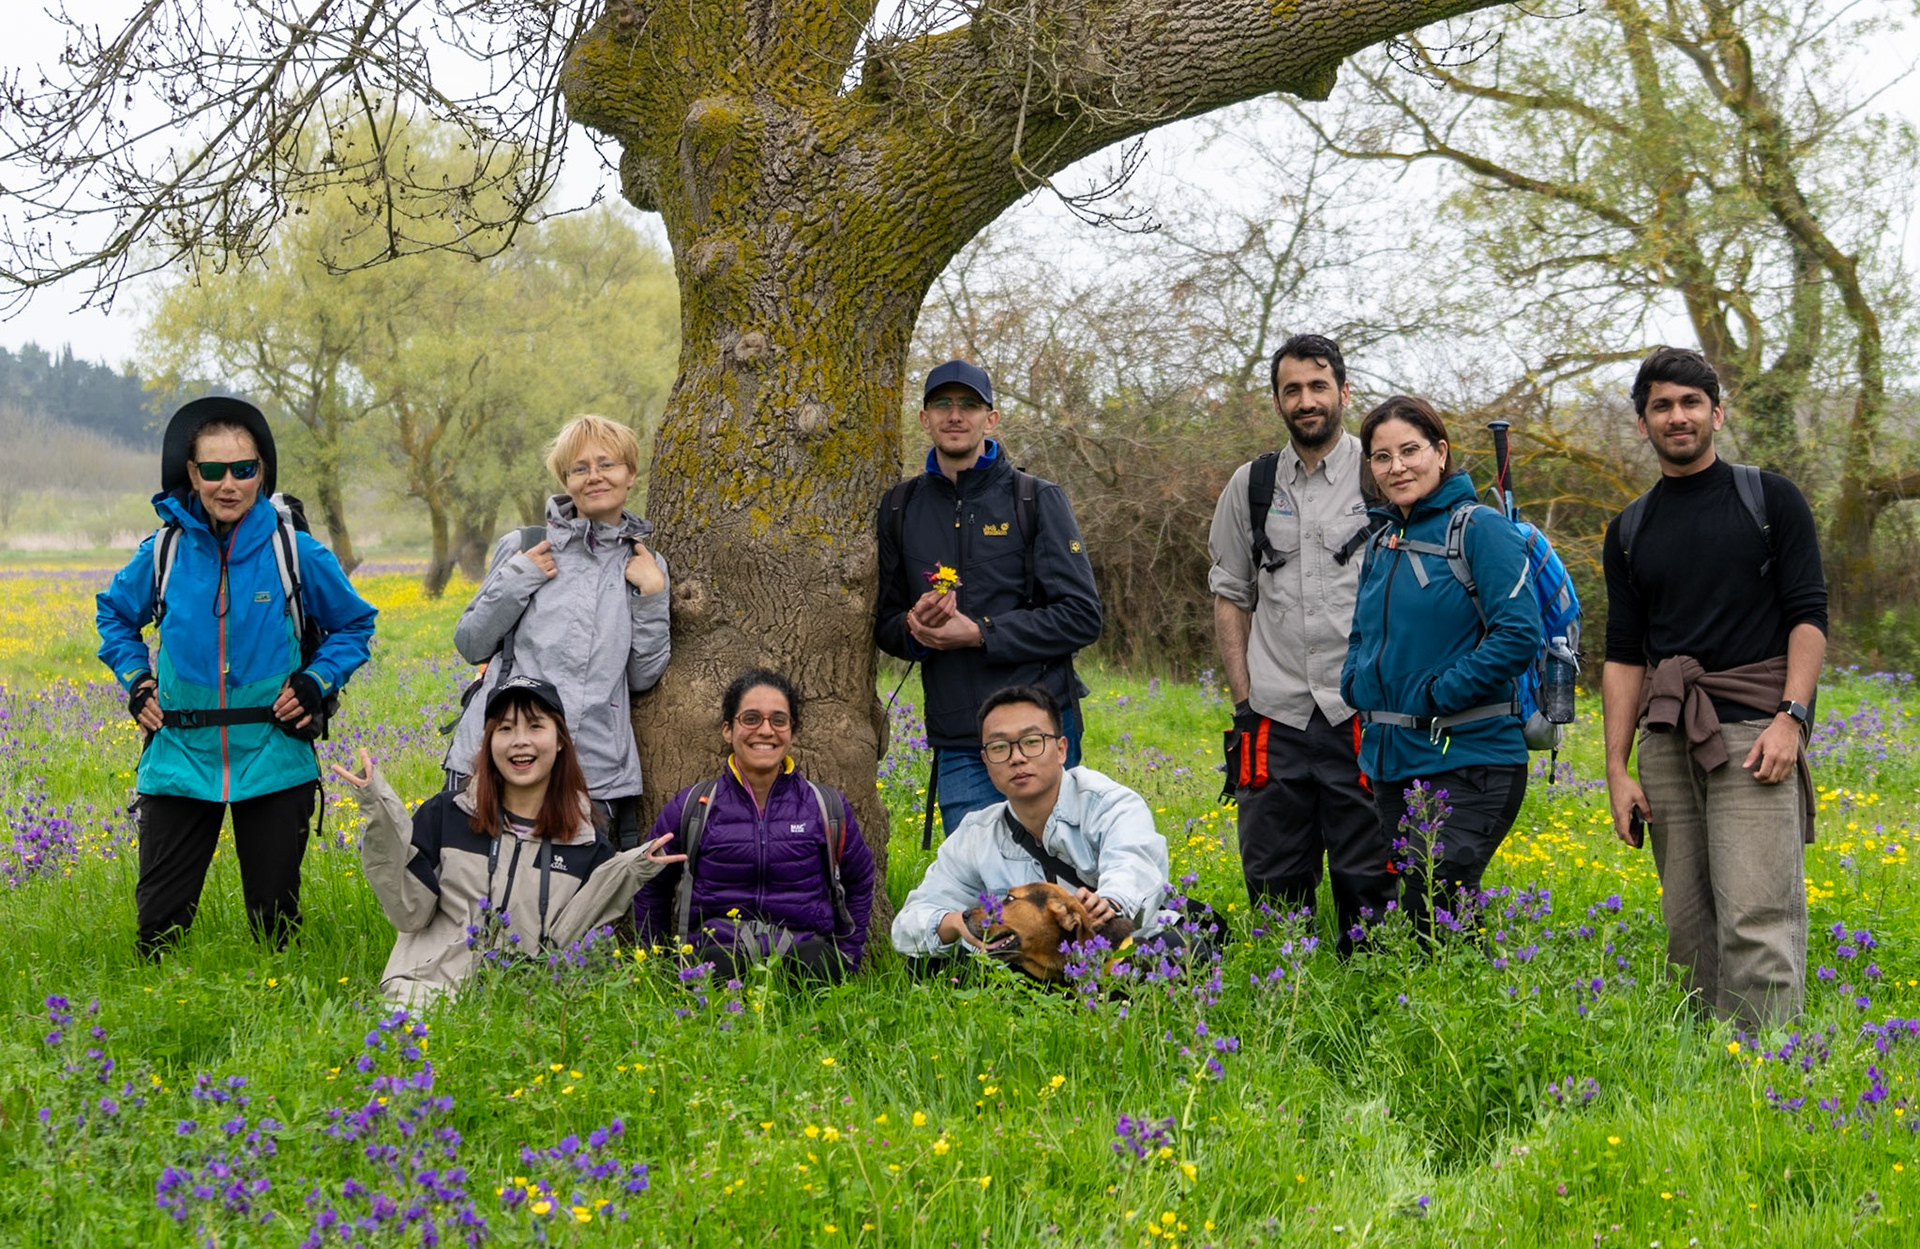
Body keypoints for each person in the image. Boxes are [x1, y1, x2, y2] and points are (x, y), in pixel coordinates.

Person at [96, 396, 378, 956]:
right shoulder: (164, 552)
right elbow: (116, 616)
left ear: (262, 473)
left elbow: (355, 624)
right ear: (192, 474)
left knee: (276, 927)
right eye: (214, 470)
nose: (230, 484)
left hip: (273, 754)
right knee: (158, 934)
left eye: (244, 469)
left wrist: (315, 681)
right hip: (179, 755)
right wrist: (137, 682)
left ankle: (277, 1022)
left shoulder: (294, 550)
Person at [1601, 347, 1826, 1028]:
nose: (1678, 416)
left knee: (1757, 915)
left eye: (1691, 402)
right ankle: (1705, 1070)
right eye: (1662, 405)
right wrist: (1616, 766)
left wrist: (1792, 717)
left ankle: (1770, 1074)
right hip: (1668, 739)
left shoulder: (1770, 499)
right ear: (1642, 423)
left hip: (1753, 732)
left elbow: (1808, 618)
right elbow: (1622, 656)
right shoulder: (1631, 528)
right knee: (1686, 922)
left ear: (1717, 413)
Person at [332, 676, 682, 1005]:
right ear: (489, 743)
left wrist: (632, 867)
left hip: (521, 1002)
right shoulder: (446, 814)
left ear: (560, 740)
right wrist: (379, 810)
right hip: (425, 990)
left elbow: (571, 933)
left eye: (535, 726)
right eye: (505, 728)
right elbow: (409, 912)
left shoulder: (586, 843)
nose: (520, 741)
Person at [1207, 333, 1391, 950]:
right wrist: (1243, 697)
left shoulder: (1383, 472)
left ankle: (1364, 1017)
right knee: (1273, 885)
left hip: (1362, 714)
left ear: (1343, 391)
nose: (1306, 400)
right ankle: (1284, 1013)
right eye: (1293, 390)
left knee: (1372, 887)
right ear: (1278, 401)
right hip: (1273, 717)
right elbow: (1231, 592)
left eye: (1318, 386)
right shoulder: (1251, 485)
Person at [874, 359, 1103, 837]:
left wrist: (980, 634)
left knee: (1057, 878)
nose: (955, 416)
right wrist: (916, 631)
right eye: (942, 405)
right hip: (962, 740)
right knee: (984, 892)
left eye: (968, 405)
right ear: (924, 418)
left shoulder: (1035, 499)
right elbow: (885, 622)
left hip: (1040, 729)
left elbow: (1081, 617)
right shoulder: (899, 507)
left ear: (990, 419)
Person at [1340, 396, 1541, 938]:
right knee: (1431, 910)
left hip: (1471, 756)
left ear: (1441, 451)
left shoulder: (1480, 529)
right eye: (1381, 457)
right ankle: (1474, 1003)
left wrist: (1438, 693)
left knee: (1436, 905)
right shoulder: (1383, 539)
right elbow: (1364, 632)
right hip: (1393, 760)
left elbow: (1519, 631)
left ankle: (1481, 1003)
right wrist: (1354, 681)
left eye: (1410, 450)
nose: (1396, 466)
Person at [444, 414, 670, 850]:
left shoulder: (645, 565)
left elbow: (642, 677)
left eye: (607, 464)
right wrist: (518, 579)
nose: (594, 477)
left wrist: (653, 596)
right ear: (565, 481)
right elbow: (471, 644)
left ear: (631, 473)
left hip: (593, 769)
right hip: (498, 759)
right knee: (479, 897)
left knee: (578, 907)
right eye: (579, 468)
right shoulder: (525, 545)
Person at [892, 684, 1170, 962]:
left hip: (1118, 958)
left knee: (1165, 952)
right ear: (986, 762)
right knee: (927, 964)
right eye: (1000, 747)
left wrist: (1110, 902)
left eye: (1032, 741)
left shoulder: (1109, 804)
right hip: (1031, 969)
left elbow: (1133, 866)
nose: (1017, 758)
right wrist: (954, 923)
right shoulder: (976, 834)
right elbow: (907, 926)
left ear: (1061, 749)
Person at [633, 670, 876, 980]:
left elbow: (860, 880)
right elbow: (650, 883)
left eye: (779, 720)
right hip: (715, 956)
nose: (765, 730)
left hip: (804, 957)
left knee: (818, 967)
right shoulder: (692, 806)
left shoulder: (824, 806)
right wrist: (656, 964)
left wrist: (848, 956)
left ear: (792, 731)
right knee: (716, 970)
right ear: (727, 729)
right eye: (750, 718)